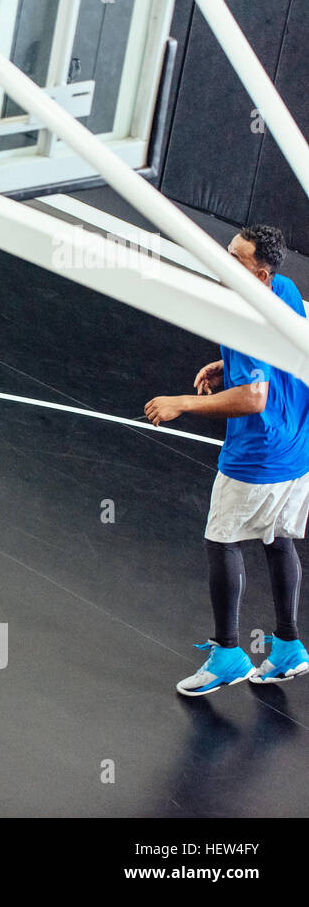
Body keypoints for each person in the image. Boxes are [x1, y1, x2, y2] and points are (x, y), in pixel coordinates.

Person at [145, 224, 309, 695]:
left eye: (235, 258)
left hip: (259, 455)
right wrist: (229, 366)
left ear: (258, 275)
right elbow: (279, 355)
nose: (223, 260)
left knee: (222, 542)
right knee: (276, 539)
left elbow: (255, 398)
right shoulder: (285, 287)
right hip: (298, 446)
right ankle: (288, 648)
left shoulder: (243, 314)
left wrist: (183, 403)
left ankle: (228, 655)